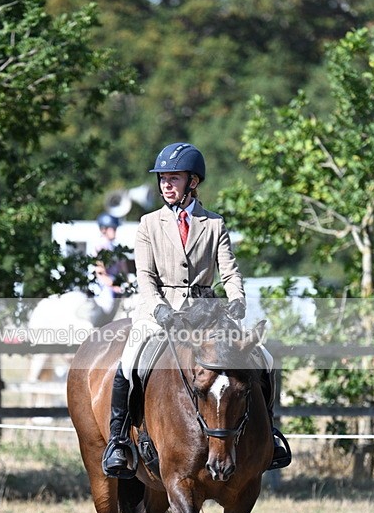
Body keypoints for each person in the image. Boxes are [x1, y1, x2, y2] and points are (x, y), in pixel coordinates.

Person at [102, 141, 291, 478]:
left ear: (193, 181)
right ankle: (119, 441)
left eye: (173, 178)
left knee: (263, 357)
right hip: (160, 310)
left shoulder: (214, 224)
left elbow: (230, 271)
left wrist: (237, 298)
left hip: (208, 312)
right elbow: (145, 276)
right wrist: (159, 309)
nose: (165, 185)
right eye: (162, 179)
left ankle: (271, 435)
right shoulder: (148, 224)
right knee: (129, 362)